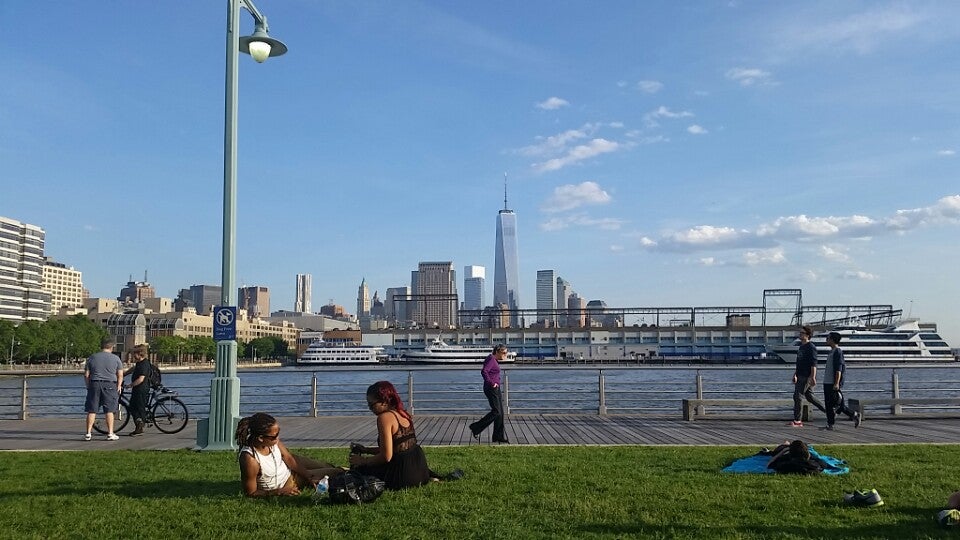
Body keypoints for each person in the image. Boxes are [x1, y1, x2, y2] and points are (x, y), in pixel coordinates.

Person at [236, 412, 344, 497]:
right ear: (260, 438)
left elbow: (288, 457)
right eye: (274, 436)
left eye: (278, 433)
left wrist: (308, 476)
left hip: (288, 468)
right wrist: (278, 491)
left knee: (327, 466)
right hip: (288, 481)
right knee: (337, 472)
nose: (278, 438)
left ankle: (350, 470)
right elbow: (251, 493)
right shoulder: (250, 459)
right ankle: (354, 473)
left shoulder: (272, 442)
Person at [349, 381, 432, 490]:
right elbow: (395, 448)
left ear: (384, 401)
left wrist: (362, 461)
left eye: (372, 405)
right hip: (419, 470)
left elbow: (386, 456)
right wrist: (366, 450)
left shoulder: (384, 418)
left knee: (356, 473)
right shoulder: (402, 413)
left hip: (402, 475)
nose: (370, 409)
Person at [83, 338, 124, 441]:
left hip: (94, 383)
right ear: (111, 347)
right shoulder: (116, 358)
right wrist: (119, 386)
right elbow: (120, 375)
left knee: (92, 410)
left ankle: (88, 433)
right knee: (109, 410)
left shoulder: (92, 358)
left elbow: (86, 374)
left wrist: (88, 386)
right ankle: (110, 433)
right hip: (110, 384)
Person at [468, 344, 509, 443]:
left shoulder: (494, 360)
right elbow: (484, 371)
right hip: (491, 388)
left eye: (506, 353)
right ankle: (476, 427)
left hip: (496, 388)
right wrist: (491, 383)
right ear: (497, 352)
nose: (505, 355)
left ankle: (498, 436)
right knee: (496, 412)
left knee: (500, 413)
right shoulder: (491, 359)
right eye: (504, 353)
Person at [822, 332, 862, 430]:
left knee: (839, 404)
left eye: (828, 338)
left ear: (832, 339)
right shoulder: (831, 352)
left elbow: (838, 369)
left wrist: (836, 383)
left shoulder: (837, 352)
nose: (826, 340)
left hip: (832, 382)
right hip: (827, 381)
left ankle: (854, 415)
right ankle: (831, 423)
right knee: (829, 404)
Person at [790, 326, 826, 427]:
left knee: (798, 396)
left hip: (806, 376)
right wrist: (795, 374)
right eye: (800, 333)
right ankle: (830, 412)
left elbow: (813, 364)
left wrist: (813, 377)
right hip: (800, 375)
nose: (800, 334)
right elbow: (799, 363)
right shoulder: (801, 347)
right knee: (810, 397)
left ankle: (797, 420)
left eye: (802, 333)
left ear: (807, 335)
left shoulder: (811, 347)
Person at [125, 344, 152, 436]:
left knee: (138, 408)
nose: (133, 356)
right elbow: (133, 369)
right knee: (133, 406)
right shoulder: (139, 363)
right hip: (138, 389)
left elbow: (141, 379)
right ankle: (139, 423)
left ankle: (140, 427)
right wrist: (123, 374)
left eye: (134, 354)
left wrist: (130, 385)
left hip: (141, 389)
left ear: (140, 354)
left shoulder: (144, 364)